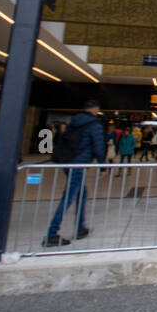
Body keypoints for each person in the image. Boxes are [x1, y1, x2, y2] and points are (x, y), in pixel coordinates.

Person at [44, 99, 105, 247]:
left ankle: (80, 227)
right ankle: (52, 234)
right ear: (96, 109)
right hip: (78, 164)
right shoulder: (94, 125)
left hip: (67, 161)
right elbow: (99, 145)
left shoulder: (74, 122)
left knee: (81, 192)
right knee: (69, 197)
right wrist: (103, 166)